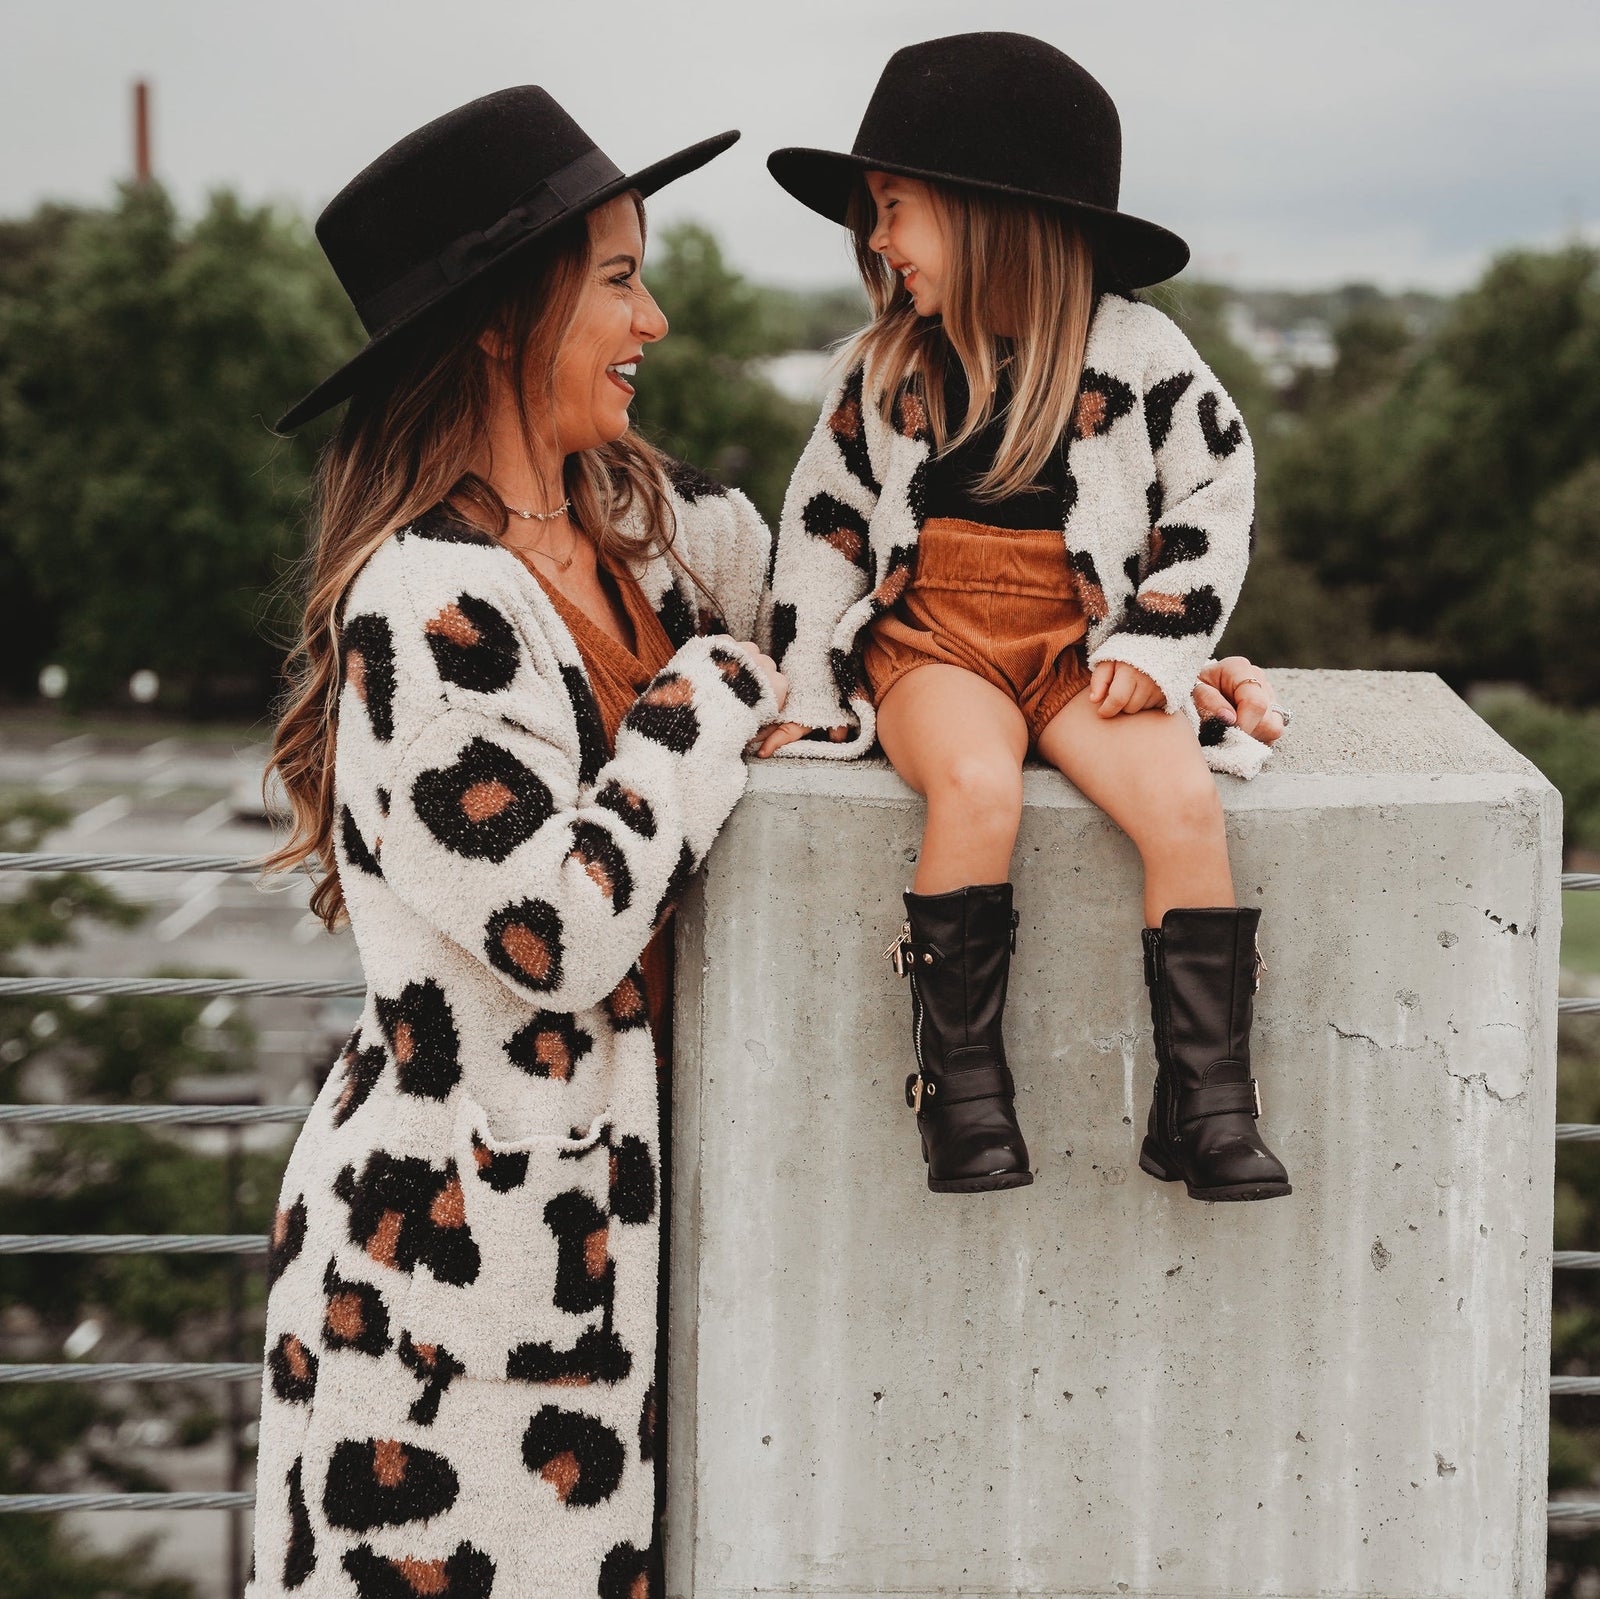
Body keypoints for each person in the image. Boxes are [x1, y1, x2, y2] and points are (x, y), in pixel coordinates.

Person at [250, 88, 785, 1597]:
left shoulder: (654, 532)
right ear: (502, 319)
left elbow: (859, 622)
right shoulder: (423, 600)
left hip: (596, 1283)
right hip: (438, 1312)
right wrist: (714, 687)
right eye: (617, 278)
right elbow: (554, 928)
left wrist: (1132, 677)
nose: (653, 319)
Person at [759, 33, 1294, 1201]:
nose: (877, 241)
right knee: (974, 786)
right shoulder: (884, 367)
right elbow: (823, 529)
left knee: (1183, 807)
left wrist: (1159, 646)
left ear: (989, 213)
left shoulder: (1141, 355)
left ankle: (1205, 1104)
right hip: (933, 642)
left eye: (895, 209)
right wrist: (805, 687)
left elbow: (1215, 499)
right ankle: (962, 1093)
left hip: (1080, 650)